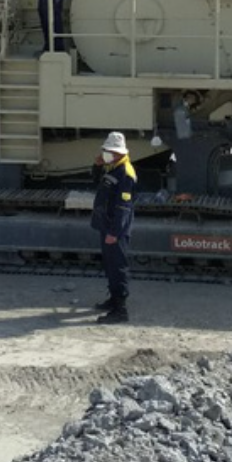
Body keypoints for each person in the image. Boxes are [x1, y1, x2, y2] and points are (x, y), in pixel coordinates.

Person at [90, 131, 135, 324]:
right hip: (107, 225)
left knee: (118, 268)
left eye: (109, 151)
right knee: (109, 265)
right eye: (105, 150)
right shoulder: (112, 167)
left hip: (115, 230)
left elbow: (123, 207)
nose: (106, 153)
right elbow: (97, 185)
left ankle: (120, 310)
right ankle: (113, 300)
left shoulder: (125, 173)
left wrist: (114, 233)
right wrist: (97, 166)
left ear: (118, 153)